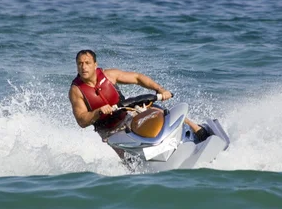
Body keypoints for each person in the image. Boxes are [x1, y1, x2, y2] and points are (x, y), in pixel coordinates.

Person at [68, 49, 210, 157]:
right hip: (109, 131)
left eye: (87, 63)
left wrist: (160, 90)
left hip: (127, 114)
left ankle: (197, 130)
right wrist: (98, 112)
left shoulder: (109, 75)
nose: (83, 67)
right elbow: (81, 120)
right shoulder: (76, 90)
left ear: (95, 65)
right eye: (80, 64)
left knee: (156, 109)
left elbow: (137, 78)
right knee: (128, 158)